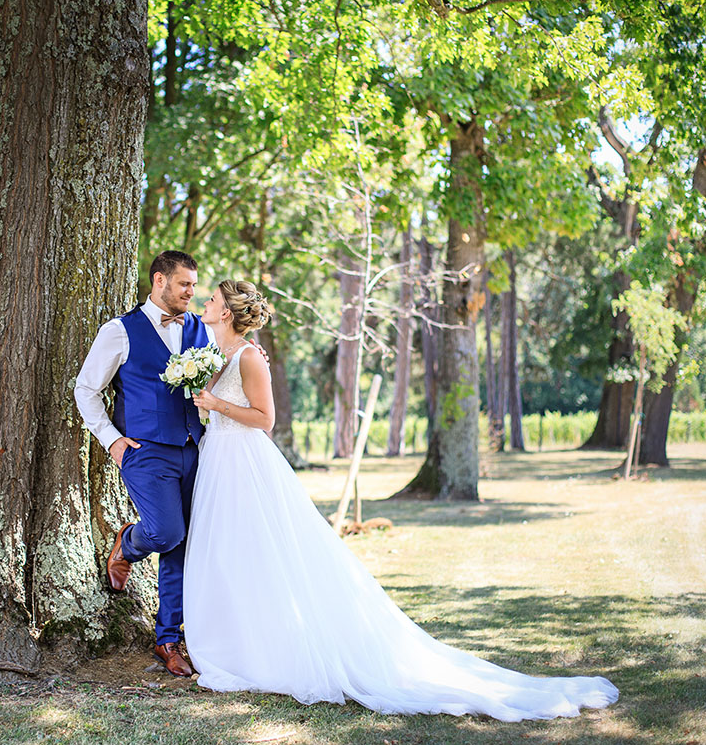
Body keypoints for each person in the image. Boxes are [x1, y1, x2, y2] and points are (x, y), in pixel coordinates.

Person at [183, 279, 620, 719]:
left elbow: (266, 419)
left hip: (246, 464)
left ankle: (267, 650)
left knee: (263, 552)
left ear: (228, 312)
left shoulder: (249, 357)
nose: (206, 303)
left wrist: (216, 406)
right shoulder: (216, 356)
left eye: (213, 300)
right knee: (230, 553)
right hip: (219, 461)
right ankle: (240, 641)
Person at [73, 250, 210, 678]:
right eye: (184, 284)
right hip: (144, 451)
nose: (191, 292)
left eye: (193, 284)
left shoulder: (198, 328)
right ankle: (128, 542)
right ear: (159, 281)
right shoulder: (120, 331)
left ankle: (167, 639)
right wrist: (111, 442)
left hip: (195, 448)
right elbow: (85, 389)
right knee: (165, 531)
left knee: (181, 545)